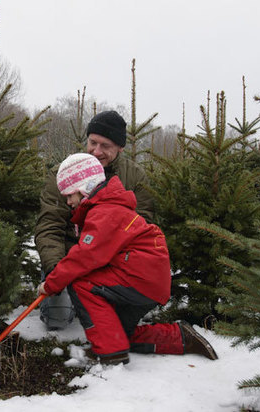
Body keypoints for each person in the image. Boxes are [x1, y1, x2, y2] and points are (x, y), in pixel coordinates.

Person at [36, 153, 218, 365]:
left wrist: (51, 284)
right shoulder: (107, 207)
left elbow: (84, 257)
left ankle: (110, 354)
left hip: (138, 279)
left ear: (84, 188)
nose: (67, 202)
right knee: (117, 333)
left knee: (81, 282)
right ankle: (180, 337)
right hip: (147, 281)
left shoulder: (105, 211)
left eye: (69, 195)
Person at [35, 110, 154, 329]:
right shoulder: (63, 174)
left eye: (105, 146)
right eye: (92, 142)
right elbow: (49, 225)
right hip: (68, 258)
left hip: (112, 261)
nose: (96, 151)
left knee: (114, 322)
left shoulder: (135, 177)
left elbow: (142, 228)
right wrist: (55, 271)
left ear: (120, 148)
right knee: (57, 319)